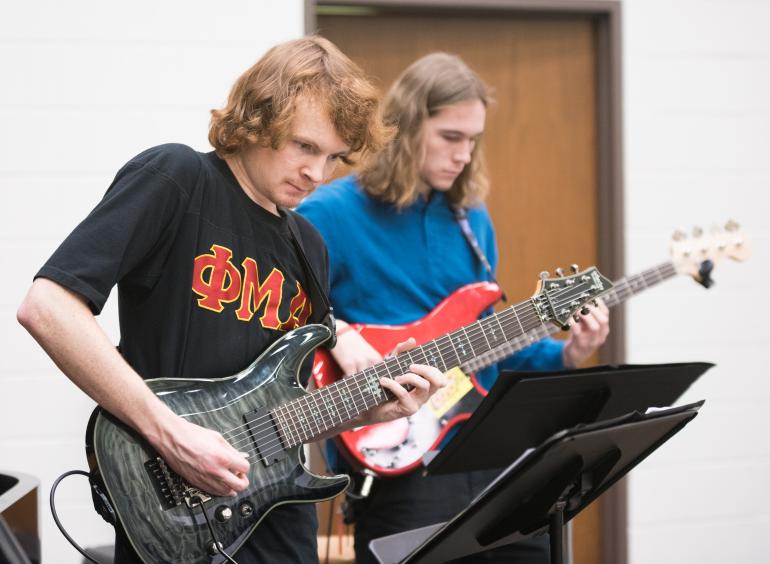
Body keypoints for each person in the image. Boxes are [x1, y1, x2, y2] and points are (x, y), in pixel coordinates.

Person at [16, 37, 446, 564]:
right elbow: (47, 306)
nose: (317, 173)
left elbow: (280, 416)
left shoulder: (308, 245)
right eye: (304, 146)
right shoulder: (178, 179)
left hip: (277, 526)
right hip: (175, 510)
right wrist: (172, 435)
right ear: (257, 120)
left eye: (334, 157)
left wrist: (367, 410)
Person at [297, 52, 610, 563]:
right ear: (405, 126)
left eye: (473, 140)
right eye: (450, 137)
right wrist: (341, 334)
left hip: (486, 452)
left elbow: (487, 349)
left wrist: (568, 354)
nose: (464, 154)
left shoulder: (472, 222)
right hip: (395, 464)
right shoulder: (327, 214)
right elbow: (287, 319)